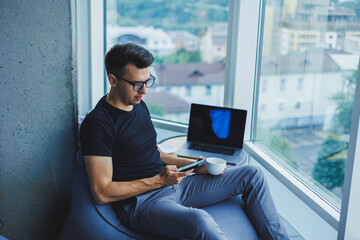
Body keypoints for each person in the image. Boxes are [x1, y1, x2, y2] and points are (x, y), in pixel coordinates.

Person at [80, 43, 289, 240]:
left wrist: (191, 166)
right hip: (143, 203)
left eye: (147, 81)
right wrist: (159, 181)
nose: (144, 90)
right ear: (113, 80)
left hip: (175, 185)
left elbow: (154, 153)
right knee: (199, 220)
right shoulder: (98, 124)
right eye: (137, 84)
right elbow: (101, 192)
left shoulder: (138, 105)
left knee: (253, 174)